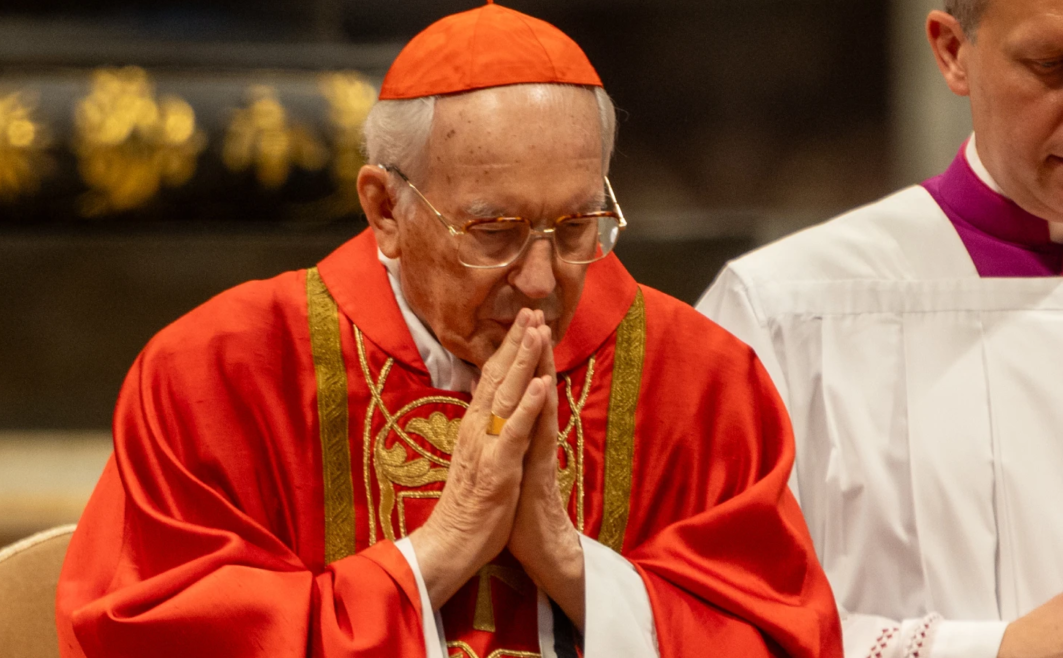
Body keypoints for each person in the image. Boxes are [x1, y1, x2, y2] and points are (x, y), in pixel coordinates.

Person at [56, 3, 842, 657]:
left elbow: (781, 637)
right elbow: (145, 633)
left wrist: (570, 566)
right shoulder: (219, 370)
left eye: (576, 228)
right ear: (384, 210)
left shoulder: (699, 381)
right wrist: (436, 554)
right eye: (493, 231)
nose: (541, 279)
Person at [697, 0, 1063, 656]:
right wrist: (1000, 648)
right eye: (1052, 66)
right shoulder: (785, 309)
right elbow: (709, 614)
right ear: (953, 51)